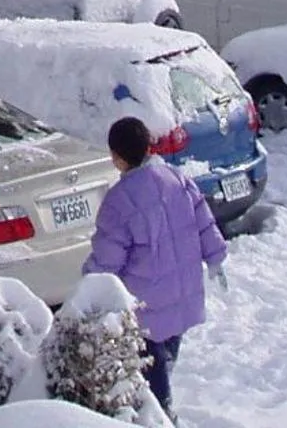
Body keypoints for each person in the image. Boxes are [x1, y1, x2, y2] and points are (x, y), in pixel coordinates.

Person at [83, 116, 227, 421]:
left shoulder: (119, 201)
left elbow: (108, 257)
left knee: (151, 370)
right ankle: (161, 401)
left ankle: (162, 415)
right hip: (181, 291)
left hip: (146, 305)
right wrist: (215, 256)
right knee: (164, 354)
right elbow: (203, 221)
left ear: (117, 157)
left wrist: (89, 283)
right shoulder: (176, 178)